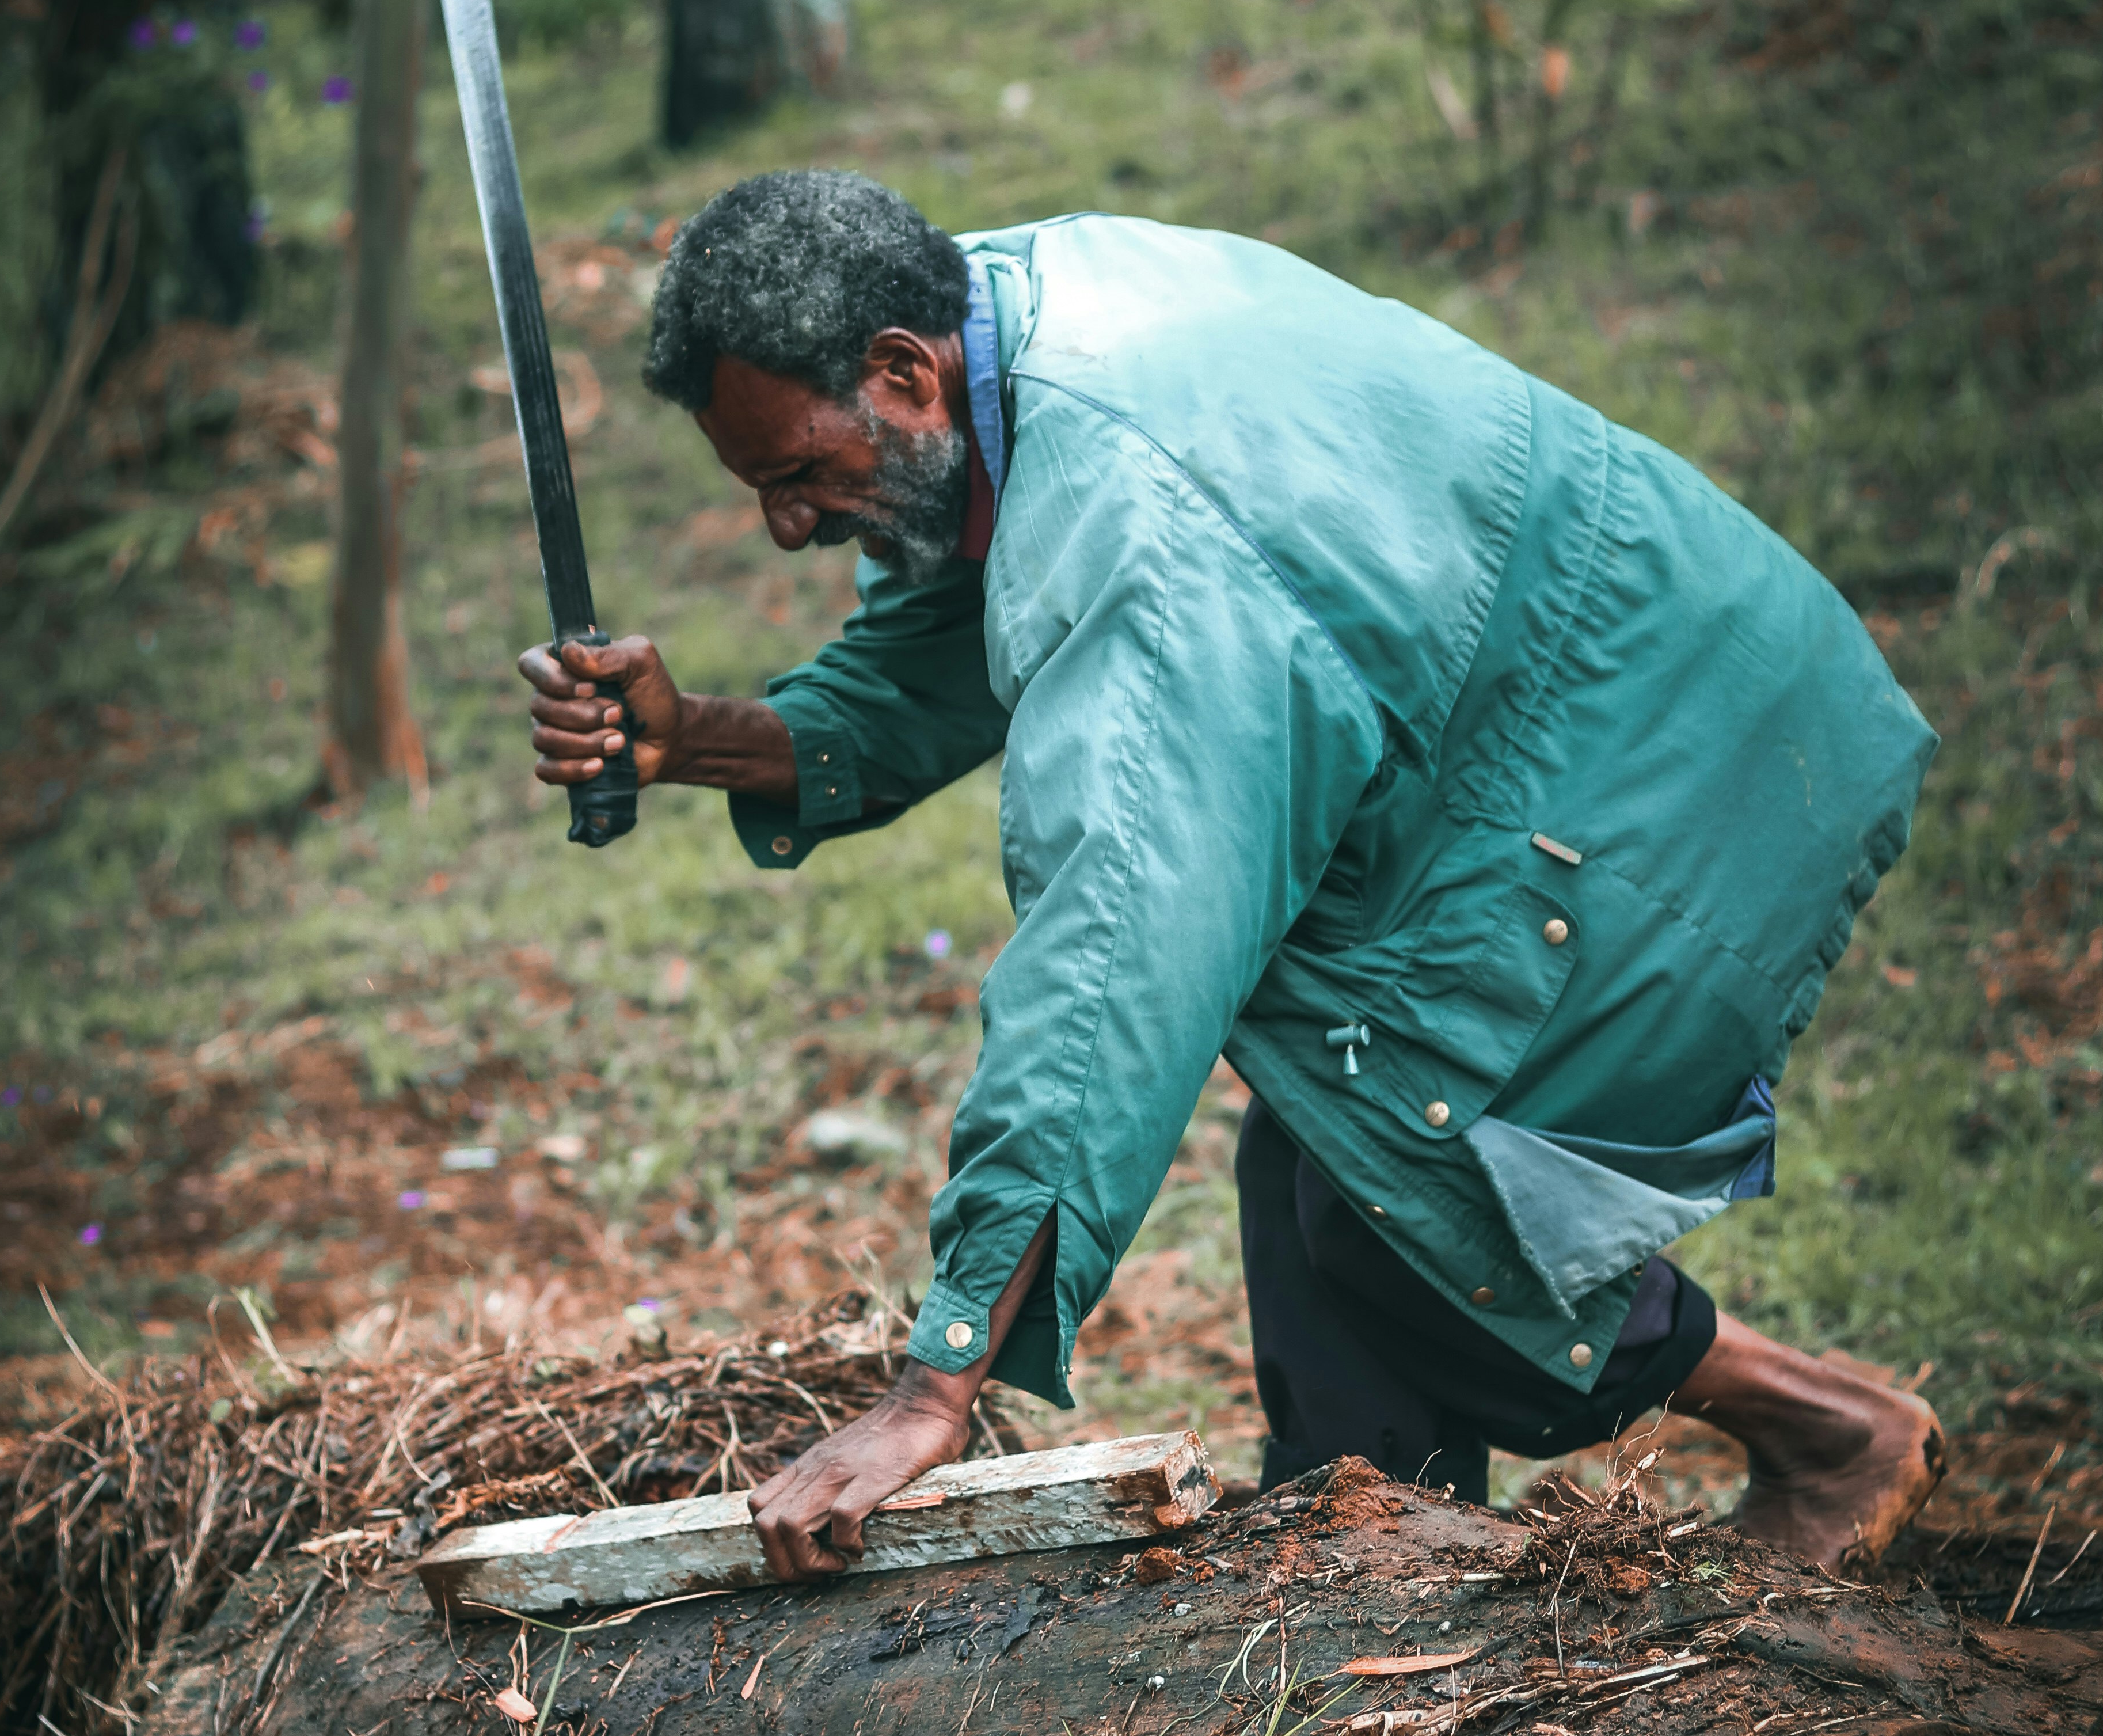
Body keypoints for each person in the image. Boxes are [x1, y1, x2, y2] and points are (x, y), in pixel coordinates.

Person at [519, 172, 1945, 1583]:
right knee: (1326, 1161)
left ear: (901, 375)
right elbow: (933, 659)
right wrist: (692, 741)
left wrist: (935, 1387)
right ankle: (1366, 1592)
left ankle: (1822, 1430)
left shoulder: (1134, 514)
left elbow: (1113, 966)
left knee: (1385, 1188)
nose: (790, 526)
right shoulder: (989, 334)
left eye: (803, 476)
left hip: (1678, 759)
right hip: (1574, 712)